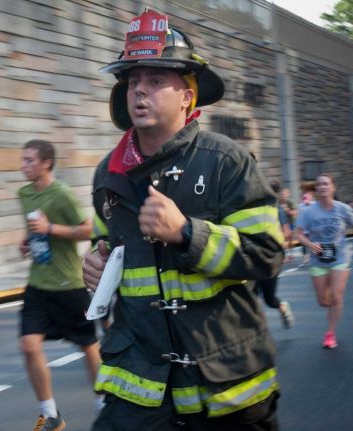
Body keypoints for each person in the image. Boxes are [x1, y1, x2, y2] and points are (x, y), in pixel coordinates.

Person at [83, 9, 283, 430]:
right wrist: (96, 268)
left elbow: (266, 254)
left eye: (155, 82)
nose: (139, 92)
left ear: (187, 96)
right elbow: (105, 247)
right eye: (134, 81)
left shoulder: (227, 160)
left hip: (225, 392)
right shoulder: (108, 174)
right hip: (140, 386)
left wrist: (187, 234)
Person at [17, 139, 101, 430]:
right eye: (23, 160)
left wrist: (50, 228)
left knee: (88, 345)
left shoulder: (62, 194)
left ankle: (103, 403)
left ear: (46, 164)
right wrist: (28, 241)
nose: (23, 166)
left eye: (29, 160)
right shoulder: (24, 193)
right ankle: (50, 414)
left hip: (68, 286)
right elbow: (35, 230)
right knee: (29, 346)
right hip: (38, 284)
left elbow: (86, 230)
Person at [296, 174, 353, 349]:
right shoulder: (308, 212)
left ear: (332, 188)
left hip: (340, 258)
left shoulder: (342, 209)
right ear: (316, 189)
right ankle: (332, 307)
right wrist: (310, 244)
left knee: (336, 296)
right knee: (323, 301)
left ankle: (330, 333)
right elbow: (298, 234)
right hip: (318, 260)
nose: (322, 187)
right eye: (319, 184)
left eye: (326, 184)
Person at [253, 181, 294, 329]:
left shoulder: (277, 209)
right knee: (252, 296)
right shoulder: (251, 208)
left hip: (271, 258)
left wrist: (281, 251)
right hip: (252, 258)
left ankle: (282, 307)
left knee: (269, 299)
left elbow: (286, 232)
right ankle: (259, 328)